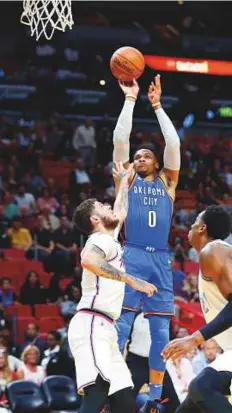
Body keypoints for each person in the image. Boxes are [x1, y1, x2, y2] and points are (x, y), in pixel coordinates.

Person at [113, 75, 181, 412]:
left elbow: (174, 143)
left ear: (156, 162)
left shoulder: (169, 181)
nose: (138, 159)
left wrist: (156, 106)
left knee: (160, 334)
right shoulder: (125, 179)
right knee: (121, 326)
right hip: (132, 255)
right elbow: (120, 138)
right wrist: (130, 100)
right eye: (136, 157)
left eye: (145, 156)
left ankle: (155, 399)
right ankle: (111, 386)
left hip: (161, 261)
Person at [68, 164, 157, 413]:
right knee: (97, 394)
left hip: (106, 328)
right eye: (102, 207)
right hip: (92, 323)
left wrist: (125, 183)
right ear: (95, 219)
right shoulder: (98, 240)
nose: (109, 207)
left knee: (124, 399)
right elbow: (88, 260)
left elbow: (120, 211)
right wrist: (130, 280)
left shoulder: (109, 239)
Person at [162, 205, 232, 413]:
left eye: (192, 226)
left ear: (202, 228)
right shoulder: (213, 258)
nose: (188, 231)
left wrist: (194, 339)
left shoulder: (213, 250)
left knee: (202, 387)